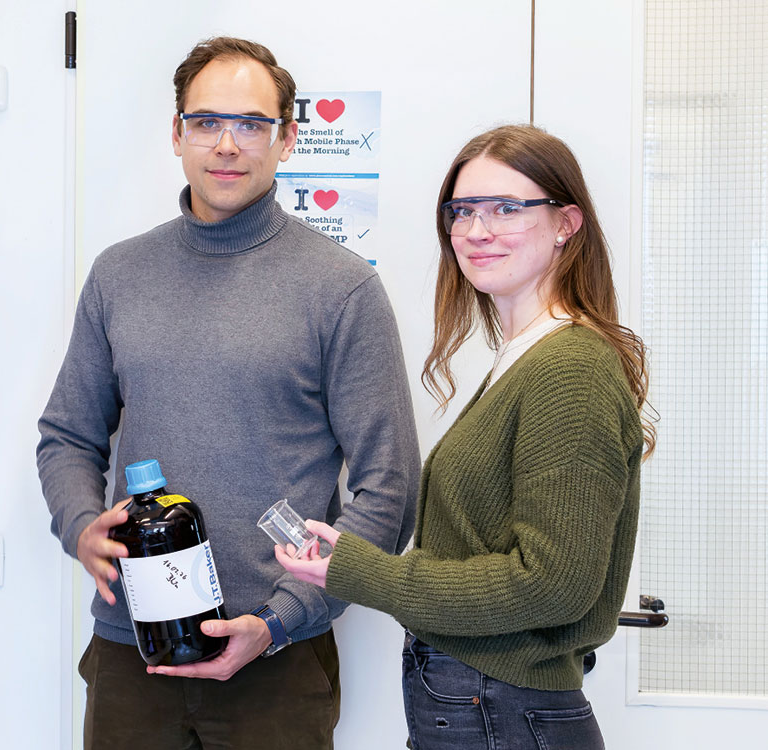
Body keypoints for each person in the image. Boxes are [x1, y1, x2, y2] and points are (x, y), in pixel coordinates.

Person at [36, 36, 420, 749]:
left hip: (278, 664)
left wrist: (283, 618)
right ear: (176, 133)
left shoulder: (342, 289)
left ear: (287, 139)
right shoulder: (119, 275)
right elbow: (67, 435)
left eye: (251, 124)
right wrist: (80, 524)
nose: (227, 144)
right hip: (132, 654)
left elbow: (390, 487)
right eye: (207, 121)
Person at [277, 124, 655, 750]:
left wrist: (367, 573)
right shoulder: (526, 354)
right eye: (463, 211)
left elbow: (553, 584)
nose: (477, 230)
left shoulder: (571, 367)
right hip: (483, 702)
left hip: (502, 706)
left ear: (566, 223)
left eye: (507, 208)